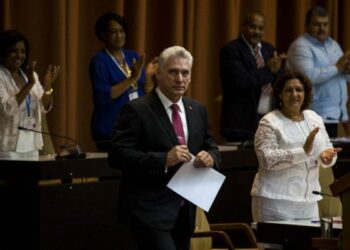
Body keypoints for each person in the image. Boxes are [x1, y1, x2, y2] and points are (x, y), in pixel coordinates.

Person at [108, 46, 221, 250]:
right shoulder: (137, 109)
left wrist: (211, 157)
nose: (180, 78)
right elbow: (117, 155)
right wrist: (163, 159)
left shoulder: (197, 109)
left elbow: (211, 145)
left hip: (184, 210)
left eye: (185, 72)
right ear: (159, 74)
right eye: (173, 72)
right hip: (148, 210)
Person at [251, 71, 341, 222]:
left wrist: (325, 158)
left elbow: (327, 148)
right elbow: (267, 159)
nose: (295, 94)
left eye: (299, 90)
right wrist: (303, 152)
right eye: (289, 90)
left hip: (309, 203)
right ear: (279, 94)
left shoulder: (314, 118)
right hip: (275, 202)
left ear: (305, 93)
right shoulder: (269, 122)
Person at [89, 12, 157, 151]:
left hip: (134, 127)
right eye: (113, 32)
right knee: (113, 172)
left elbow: (146, 92)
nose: (119, 36)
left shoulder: (132, 56)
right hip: (111, 129)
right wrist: (132, 78)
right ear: (103, 35)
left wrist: (149, 76)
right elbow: (105, 95)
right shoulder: (99, 61)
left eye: (121, 31)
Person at [219, 11, 285, 142]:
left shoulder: (269, 49)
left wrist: (277, 71)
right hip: (240, 124)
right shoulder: (231, 50)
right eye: (252, 27)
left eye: (260, 28)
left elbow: (279, 79)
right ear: (243, 27)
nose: (257, 32)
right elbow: (241, 81)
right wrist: (269, 70)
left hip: (268, 119)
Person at [286, 6, 350, 138]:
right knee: (317, 157)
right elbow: (307, 76)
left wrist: (347, 70)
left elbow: (342, 75)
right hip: (314, 116)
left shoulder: (333, 45)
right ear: (306, 26)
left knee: (335, 157)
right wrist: (338, 67)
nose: (322, 28)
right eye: (317, 24)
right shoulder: (300, 46)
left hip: (338, 115)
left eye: (325, 24)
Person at [0, 30, 60, 158]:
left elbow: (43, 107)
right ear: (3, 51)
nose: (19, 56)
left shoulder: (30, 76)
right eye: (14, 51)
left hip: (31, 145)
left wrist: (48, 86)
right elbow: (6, 109)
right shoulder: (1, 76)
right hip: (7, 147)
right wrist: (29, 85)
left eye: (23, 52)